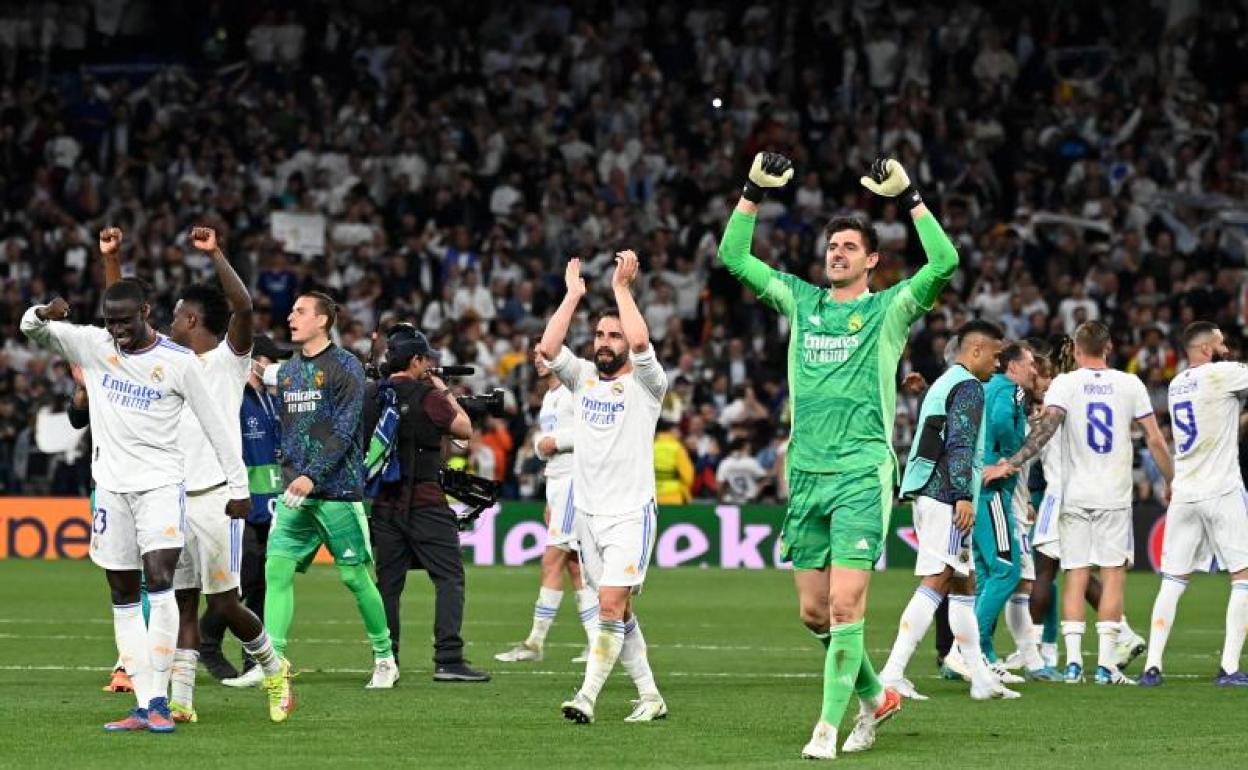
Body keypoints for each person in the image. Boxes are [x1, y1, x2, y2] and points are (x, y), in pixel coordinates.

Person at [719, 152, 958, 759]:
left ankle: (828, 728)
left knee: (846, 605)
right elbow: (733, 258)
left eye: (850, 246)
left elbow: (946, 261)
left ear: (872, 259)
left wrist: (910, 197)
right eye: (833, 246)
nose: (837, 253)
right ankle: (878, 695)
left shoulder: (890, 310)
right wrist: (752, 192)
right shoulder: (801, 301)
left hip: (861, 471)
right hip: (806, 474)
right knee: (813, 613)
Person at [22, 270, 251, 733]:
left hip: (162, 487)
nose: (118, 331)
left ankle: (162, 702)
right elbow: (32, 328)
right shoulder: (94, 345)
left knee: (160, 578)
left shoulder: (178, 361)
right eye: (111, 322)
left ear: (146, 314)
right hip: (110, 488)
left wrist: (239, 488)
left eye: (125, 321)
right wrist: (44, 312)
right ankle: (146, 702)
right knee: (123, 593)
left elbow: (217, 427)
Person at [984, 320, 1173, 685]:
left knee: (1074, 574)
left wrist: (1012, 462)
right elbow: (1153, 438)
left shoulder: (1065, 384)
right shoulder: (1130, 384)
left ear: (1076, 346)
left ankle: (1071, 664)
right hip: (1114, 494)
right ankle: (1105, 665)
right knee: (1113, 575)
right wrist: (1171, 479)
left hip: (1073, 494)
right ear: (1110, 346)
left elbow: (1046, 427)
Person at [156, 227, 292, 722]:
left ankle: (275, 670)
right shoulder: (172, 365)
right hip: (176, 498)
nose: (171, 321)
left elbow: (244, 307)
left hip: (218, 498)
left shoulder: (228, 361)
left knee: (227, 603)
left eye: (176, 314)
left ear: (192, 319)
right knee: (184, 605)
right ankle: (182, 702)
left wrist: (215, 253)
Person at [537, 250, 668, 724]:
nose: (607, 342)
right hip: (587, 514)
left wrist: (620, 290)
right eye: (600, 335)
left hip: (631, 512)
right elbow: (549, 350)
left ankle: (587, 697)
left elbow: (641, 342)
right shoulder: (584, 379)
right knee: (620, 610)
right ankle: (650, 695)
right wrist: (573, 295)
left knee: (610, 603)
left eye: (613, 335)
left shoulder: (648, 385)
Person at [263, 292, 396, 688]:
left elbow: (345, 431)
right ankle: (274, 663)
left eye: (300, 311)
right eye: (291, 311)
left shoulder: (346, 366)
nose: (290, 317)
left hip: (336, 492)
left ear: (322, 321)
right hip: (295, 494)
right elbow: (287, 431)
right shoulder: (287, 373)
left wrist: (311, 476)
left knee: (355, 578)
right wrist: (291, 473)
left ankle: (385, 658)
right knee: (277, 570)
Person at [879, 320, 1017, 701]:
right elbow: (960, 443)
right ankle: (891, 672)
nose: (999, 363)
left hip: (929, 490)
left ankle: (980, 678)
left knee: (963, 583)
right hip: (946, 496)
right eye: (995, 354)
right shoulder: (969, 386)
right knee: (939, 579)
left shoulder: (946, 382)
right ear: (975, 351)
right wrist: (963, 495)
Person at [364, 323, 489, 683]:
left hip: (385, 504)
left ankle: (387, 659)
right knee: (449, 577)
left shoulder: (373, 395)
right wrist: (443, 389)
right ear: (416, 360)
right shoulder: (429, 396)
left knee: (388, 585)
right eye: (426, 359)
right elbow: (464, 428)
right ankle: (448, 659)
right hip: (426, 502)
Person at [1140, 322, 1248, 687]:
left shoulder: (1177, 383)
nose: (1227, 349)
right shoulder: (1222, 374)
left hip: (1185, 491)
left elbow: (1219, 424)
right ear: (1204, 349)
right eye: (1221, 344)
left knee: (1172, 580)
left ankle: (1152, 666)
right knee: (1244, 576)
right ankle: (1230, 668)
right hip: (1221, 489)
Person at [496, 348, 598, 664]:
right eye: (536, 355)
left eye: (545, 353)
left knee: (551, 561)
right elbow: (549, 446)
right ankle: (598, 643)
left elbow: (592, 432)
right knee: (573, 566)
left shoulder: (574, 391)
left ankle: (535, 643)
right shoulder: (551, 396)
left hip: (573, 483)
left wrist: (556, 442)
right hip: (558, 484)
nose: (538, 359)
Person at [210, 334, 288, 689]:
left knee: (258, 585)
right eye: (272, 361)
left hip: (272, 503)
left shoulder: (269, 400)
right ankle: (209, 644)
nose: (277, 369)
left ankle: (247, 656)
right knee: (240, 586)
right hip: (242, 505)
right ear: (256, 361)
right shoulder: (235, 399)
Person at [972, 342, 1038, 684]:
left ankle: (983, 655)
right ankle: (969, 652)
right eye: (1029, 364)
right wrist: (1009, 458)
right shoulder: (1012, 391)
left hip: (974, 486)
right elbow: (1001, 422)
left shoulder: (984, 387)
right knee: (1007, 572)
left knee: (985, 574)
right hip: (993, 490)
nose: (1034, 370)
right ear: (1013, 366)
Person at [653, 419, 694, 506]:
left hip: (652, 495)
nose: (680, 433)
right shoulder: (677, 448)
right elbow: (688, 476)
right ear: (671, 431)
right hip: (673, 495)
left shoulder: (650, 446)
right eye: (677, 430)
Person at [716, 438, 768, 504]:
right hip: (749, 500)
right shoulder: (751, 462)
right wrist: (755, 494)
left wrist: (720, 500)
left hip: (730, 501)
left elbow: (720, 484)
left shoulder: (725, 463)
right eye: (748, 448)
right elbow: (764, 480)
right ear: (744, 448)